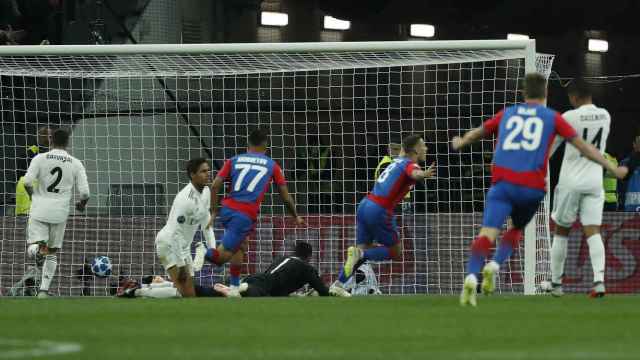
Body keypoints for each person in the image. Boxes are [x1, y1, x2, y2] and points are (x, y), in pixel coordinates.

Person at [451, 73, 627, 307]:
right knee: (580, 230)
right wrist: (612, 169)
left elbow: (482, 133)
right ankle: (597, 280)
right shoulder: (584, 116)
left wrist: (461, 142)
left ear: (524, 93)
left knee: (496, 233)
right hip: (562, 184)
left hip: (526, 182)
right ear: (546, 93)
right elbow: (586, 148)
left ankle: (482, 275)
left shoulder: (516, 113)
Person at [330, 134, 436, 292]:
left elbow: (402, 154)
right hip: (380, 209)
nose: (426, 148)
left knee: (361, 251)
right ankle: (361, 254)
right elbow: (414, 173)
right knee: (395, 251)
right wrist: (424, 174)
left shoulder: (397, 161)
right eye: (423, 145)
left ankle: (338, 285)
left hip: (365, 204)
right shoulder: (410, 164)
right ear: (415, 149)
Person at [205, 128, 304, 292]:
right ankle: (203, 250)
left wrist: (214, 211)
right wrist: (295, 216)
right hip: (243, 214)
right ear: (266, 146)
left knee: (241, 245)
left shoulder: (234, 160)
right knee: (220, 258)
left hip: (227, 209)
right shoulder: (272, 165)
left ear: (248, 144)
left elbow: (215, 185)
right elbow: (286, 198)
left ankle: (235, 287)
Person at [548, 79, 612, 297]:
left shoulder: (568, 117)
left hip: (571, 181)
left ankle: (556, 284)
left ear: (573, 97)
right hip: (595, 181)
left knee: (562, 230)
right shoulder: (605, 115)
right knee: (593, 230)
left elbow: (552, 147)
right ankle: (599, 281)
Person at [23, 128, 90, 298]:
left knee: (34, 246)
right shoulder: (76, 163)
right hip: (60, 212)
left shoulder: (39, 158)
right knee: (52, 253)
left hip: (39, 209)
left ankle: (38, 248)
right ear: (67, 142)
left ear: (51, 140)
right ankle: (43, 291)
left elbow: (27, 182)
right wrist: (81, 205)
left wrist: (34, 197)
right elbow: (85, 193)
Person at [152, 157, 214, 298]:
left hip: (183, 247)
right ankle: (138, 290)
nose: (208, 173)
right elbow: (175, 234)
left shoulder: (206, 192)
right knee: (185, 293)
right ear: (193, 175)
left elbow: (207, 223)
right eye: (203, 171)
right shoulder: (184, 199)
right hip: (169, 244)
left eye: (208, 170)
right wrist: (181, 265)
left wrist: (213, 250)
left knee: (189, 293)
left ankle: (154, 285)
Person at [214, 242, 349, 298]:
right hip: (266, 286)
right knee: (258, 295)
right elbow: (323, 291)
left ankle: (230, 285)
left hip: (258, 277)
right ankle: (241, 287)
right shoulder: (307, 268)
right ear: (309, 257)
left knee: (253, 288)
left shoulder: (283, 258)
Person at [16, 126, 51, 216]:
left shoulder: (29, 153)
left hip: (25, 203)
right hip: (31, 202)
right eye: (50, 136)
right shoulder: (33, 155)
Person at [620, 135, 640, 212]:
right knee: (631, 224)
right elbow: (622, 181)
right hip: (632, 201)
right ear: (634, 144)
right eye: (638, 142)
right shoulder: (625, 162)